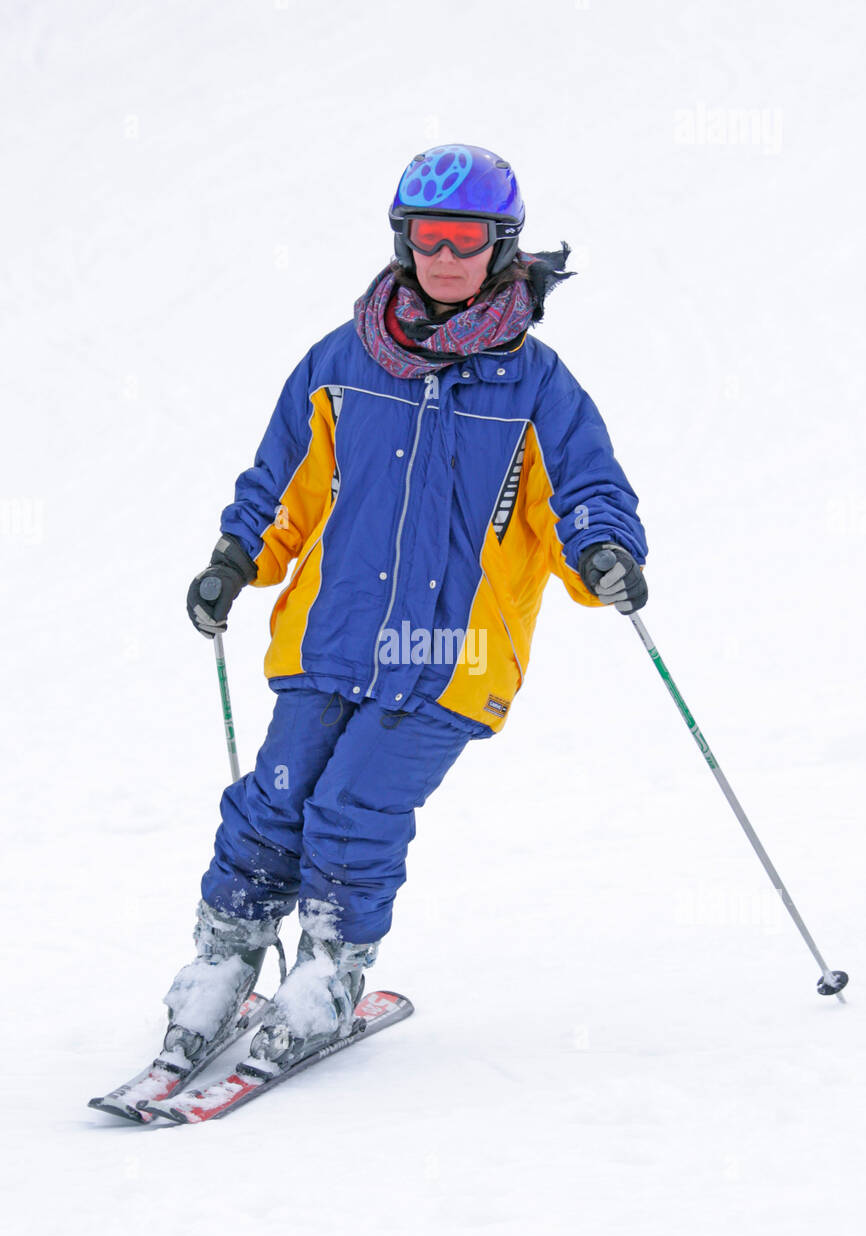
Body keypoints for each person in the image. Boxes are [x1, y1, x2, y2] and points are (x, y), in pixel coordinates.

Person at [164, 143, 648, 1071]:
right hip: (330, 637)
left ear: (504, 247)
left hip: (453, 659)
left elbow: (586, 492)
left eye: (468, 240)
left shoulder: (539, 385)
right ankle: (222, 966)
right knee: (271, 805)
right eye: (428, 237)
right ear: (403, 238)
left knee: (351, 810)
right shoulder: (343, 360)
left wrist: (604, 554)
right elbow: (281, 485)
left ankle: (328, 977)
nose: (446, 258)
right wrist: (236, 559)